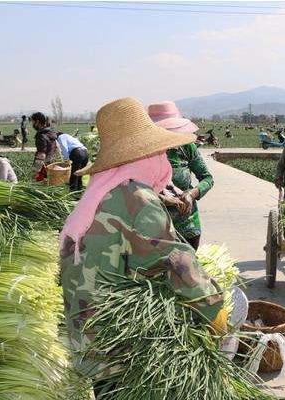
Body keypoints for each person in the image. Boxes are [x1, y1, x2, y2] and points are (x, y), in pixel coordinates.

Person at [59, 97, 226, 395]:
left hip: (88, 336)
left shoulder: (99, 193)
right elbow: (176, 260)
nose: (163, 159)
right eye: (159, 151)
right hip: (118, 345)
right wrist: (214, 309)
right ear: (146, 155)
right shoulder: (135, 197)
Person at [148, 101, 214, 250]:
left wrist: (191, 194)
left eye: (170, 128)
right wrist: (163, 199)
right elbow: (133, 187)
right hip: (154, 225)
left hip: (187, 224)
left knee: (186, 269)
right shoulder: (143, 153)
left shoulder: (186, 148)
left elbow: (207, 178)